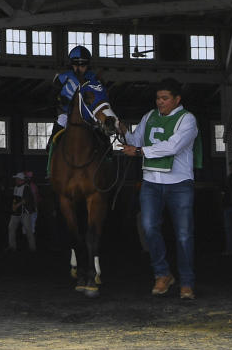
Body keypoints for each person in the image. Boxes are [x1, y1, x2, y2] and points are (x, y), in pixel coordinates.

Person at [122, 77, 201, 300]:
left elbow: (173, 146)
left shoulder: (188, 120)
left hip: (179, 183)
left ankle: (186, 282)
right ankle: (163, 274)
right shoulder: (149, 116)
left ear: (177, 99)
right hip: (151, 182)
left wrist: (139, 152)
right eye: (158, 98)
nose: (160, 102)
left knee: (184, 235)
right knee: (148, 228)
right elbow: (136, 139)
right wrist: (122, 129)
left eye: (165, 98)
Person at [48, 45, 104, 149]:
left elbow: (101, 97)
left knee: (101, 132)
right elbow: (51, 96)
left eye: (83, 66)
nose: (79, 69)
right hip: (66, 112)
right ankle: (51, 147)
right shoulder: (62, 77)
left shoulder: (94, 78)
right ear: (71, 65)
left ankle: (107, 152)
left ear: (87, 65)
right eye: (76, 65)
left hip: (89, 114)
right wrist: (60, 100)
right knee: (61, 122)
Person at [7, 172, 37, 252]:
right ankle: (12, 246)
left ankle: (32, 248)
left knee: (28, 230)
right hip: (16, 212)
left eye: (16, 179)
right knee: (11, 228)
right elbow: (15, 199)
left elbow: (25, 200)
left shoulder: (26, 188)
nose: (15, 180)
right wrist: (13, 206)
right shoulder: (16, 187)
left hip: (24, 212)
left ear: (20, 180)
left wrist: (16, 206)